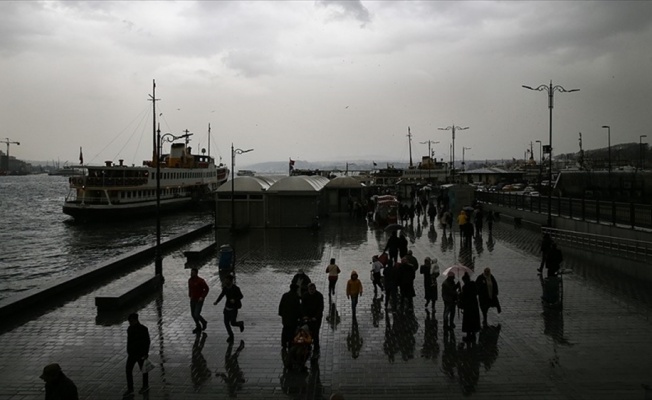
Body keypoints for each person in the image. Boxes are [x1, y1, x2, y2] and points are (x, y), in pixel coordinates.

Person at [124, 313, 150, 397]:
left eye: (131, 321)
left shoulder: (143, 329)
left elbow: (147, 342)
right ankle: (131, 388)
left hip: (140, 353)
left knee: (143, 370)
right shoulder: (130, 329)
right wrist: (128, 351)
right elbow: (129, 341)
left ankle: (145, 386)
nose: (130, 323)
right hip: (132, 353)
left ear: (136, 320)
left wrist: (146, 353)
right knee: (128, 370)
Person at [213, 274, 245, 343]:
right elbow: (221, 295)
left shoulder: (236, 288)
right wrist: (217, 301)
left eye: (226, 280)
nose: (225, 281)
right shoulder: (225, 288)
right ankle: (231, 335)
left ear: (230, 281)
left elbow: (241, 296)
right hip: (227, 308)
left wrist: (235, 299)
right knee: (226, 323)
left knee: (233, 323)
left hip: (234, 309)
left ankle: (240, 324)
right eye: (225, 280)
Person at [302, 282, 324, 356]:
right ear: (308, 289)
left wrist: (316, 317)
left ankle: (316, 347)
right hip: (307, 317)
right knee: (306, 331)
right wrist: (304, 315)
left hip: (316, 318)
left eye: (313, 289)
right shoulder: (305, 296)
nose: (311, 290)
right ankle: (307, 345)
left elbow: (320, 308)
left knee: (315, 332)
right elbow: (303, 307)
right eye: (310, 289)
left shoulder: (319, 296)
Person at [278, 283, 302, 349]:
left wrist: (281, 314)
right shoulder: (296, 297)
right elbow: (298, 308)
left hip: (285, 317)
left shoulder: (285, 295)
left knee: (285, 330)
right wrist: (300, 317)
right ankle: (290, 343)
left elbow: (281, 306)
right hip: (293, 318)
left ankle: (283, 344)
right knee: (292, 331)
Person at [460, 273, 481, 341]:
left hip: (468, 306)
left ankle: (468, 336)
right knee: (474, 319)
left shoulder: (465, 287)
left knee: (468, 321)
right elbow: (477, 292)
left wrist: (460, 293)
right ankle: (473, 334)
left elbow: (463, 297)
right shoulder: (473, 284)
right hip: (474, 305)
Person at [188, 267, 209, 334]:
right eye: (191, 272)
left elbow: (206, 289)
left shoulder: (200, 281)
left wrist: (202, 297)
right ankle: (198, 326)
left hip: (199, 300)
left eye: (193, 273)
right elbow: (190, 288)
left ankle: (203, 322)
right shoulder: (190, 280)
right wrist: (190, 294)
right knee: (193, 314)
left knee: (196, 314)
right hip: (192, 299)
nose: (191, 274)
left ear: (196, 273)